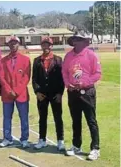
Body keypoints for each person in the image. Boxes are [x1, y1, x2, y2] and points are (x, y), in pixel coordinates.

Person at [62, 31, 101, 160]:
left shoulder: (91, 55)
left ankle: (95, 148)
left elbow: (97, 74)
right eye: (74, 39)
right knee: (76, 121)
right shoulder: (68, 56)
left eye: (79, 39)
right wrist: (68, 84)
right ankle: (76, 145)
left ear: (85, 42)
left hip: (87, 92)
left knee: (91, 121)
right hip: (72, 92)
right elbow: (65, 73)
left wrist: (83, 83)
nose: (76, 41)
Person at [32, 37, 65, 151]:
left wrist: (60, 93)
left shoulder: (58, 60)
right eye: (44, 45)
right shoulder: (37, 60)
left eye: (48, 45)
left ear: (51, 46)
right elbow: (34, 79)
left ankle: (60, 140)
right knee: (42, 117)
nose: (46, 47)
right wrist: (37, 92)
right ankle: (42, 140)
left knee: (58, 117)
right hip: (42, 94)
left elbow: (62, 79)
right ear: (41, 46)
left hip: (55, 94)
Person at [0, 36, 31, 149]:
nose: (13, 45)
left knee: (24, 117)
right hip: (7, 94)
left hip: (21, 94)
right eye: (11, 43)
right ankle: (7, 138)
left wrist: (16, 91)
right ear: (8, 45)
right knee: (7, 117)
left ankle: (24, 139)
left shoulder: (26, 60)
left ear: (19, 44)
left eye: (15, 43)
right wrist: (8, 90)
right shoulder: (3, 61)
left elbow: (26, 77)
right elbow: (1, 77)